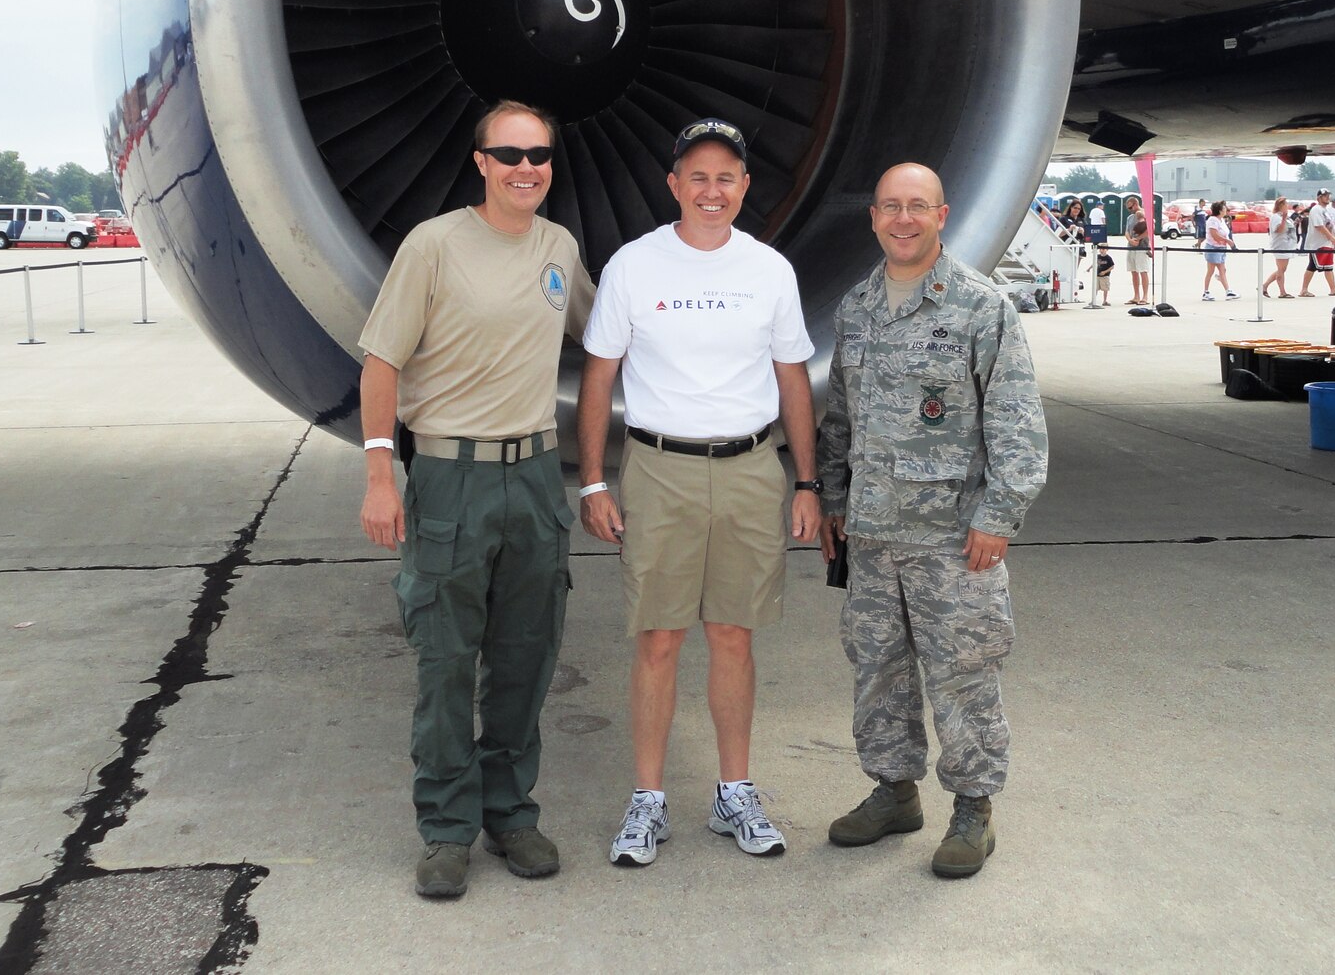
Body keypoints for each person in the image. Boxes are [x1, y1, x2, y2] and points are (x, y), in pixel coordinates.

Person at [356, 99, 595, 900]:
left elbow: (612, 335)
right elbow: (382, 363)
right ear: (481, 163)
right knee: (448, 663)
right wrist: (380, 475)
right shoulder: (434, 246)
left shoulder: (559, 246)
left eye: (540, 154)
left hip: (534, 475)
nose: (527, 168)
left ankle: (511, 815)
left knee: (527, 658)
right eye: (511, 155)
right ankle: (447, 829)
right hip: (451, 476)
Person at [576, 117, 822, 868]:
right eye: (698, 176)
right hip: (659, 466)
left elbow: (792, 380)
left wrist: (805, 480)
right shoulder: (632, 266)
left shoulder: (769, 270)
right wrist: (593, 478)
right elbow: (598, 376)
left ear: (744, 188)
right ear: (674, 184)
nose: (711, 191)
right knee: (658, 638)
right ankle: (647, 801)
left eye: (726, 178)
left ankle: (733, 791)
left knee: (733, 635)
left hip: (751, 467)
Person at [815, 162, 1048, 880]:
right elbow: (843, 418)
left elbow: (1016, 420)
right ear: (875, 217)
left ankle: (974, 809)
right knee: (878, 670)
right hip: (875, 533)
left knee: (963, 674)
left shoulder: (980, 306)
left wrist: (999, 515)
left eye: (918, 206)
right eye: (891, 206)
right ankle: (893, 792)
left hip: (954, 538)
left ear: (942, 215)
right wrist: (831, 501)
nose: (904, 219)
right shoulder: (858, 307)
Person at [1298, 189, 1335, 297]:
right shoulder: (1316, 209)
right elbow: (1319, 226)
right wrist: (1332, 237)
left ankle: (1333, 289)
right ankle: (1304, 290)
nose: (1327, 197)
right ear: (1319, 197)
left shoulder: (1326, 210)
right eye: (1325, 196)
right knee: (1312, 266)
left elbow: (1329, 225)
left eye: (1328, 195)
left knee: (1329, 267)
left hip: (1327, 243)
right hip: (1317, 244)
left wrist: (1332, 239)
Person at [1199, 200, 1239, 301]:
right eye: (1224, 208)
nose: (1226, 210)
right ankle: (1206, 292)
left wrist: (1229, 242)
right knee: (1212, 270)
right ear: (1220, 210)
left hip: (1221, 248)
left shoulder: (1221, 220)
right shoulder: (1212, 220)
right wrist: (1227, 241)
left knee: (1222, 270)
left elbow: (1225, 233)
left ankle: (1228, 291)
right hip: (1213, 248)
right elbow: (1215, 235)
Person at [1259, 197, 1297, 297]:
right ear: (1280, 206)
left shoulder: (1285, 217)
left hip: (1287, 246)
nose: (1287, 206)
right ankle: (1282, 292)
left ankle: (1264, 285)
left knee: (1282, 269)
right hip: (1280, 246)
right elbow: (1279, 230)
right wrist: (1284, 219)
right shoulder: (1276, 217)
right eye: (1285, 204)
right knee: (1281, 270)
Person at [1123, 195, 1151, 304]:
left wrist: (1138, 238)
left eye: (1130, 208)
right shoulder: (1130, 218)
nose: (1130, 210)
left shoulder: (1143, 213)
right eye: (1128, 209)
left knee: (1143, 271)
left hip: (1142, 247)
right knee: (1133, 272)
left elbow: (1149, 230)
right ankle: (1136, 296)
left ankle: (1145, 296)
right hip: (1131, 247)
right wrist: (1130, 240)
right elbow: (1126, 231)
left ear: (1135, 204)